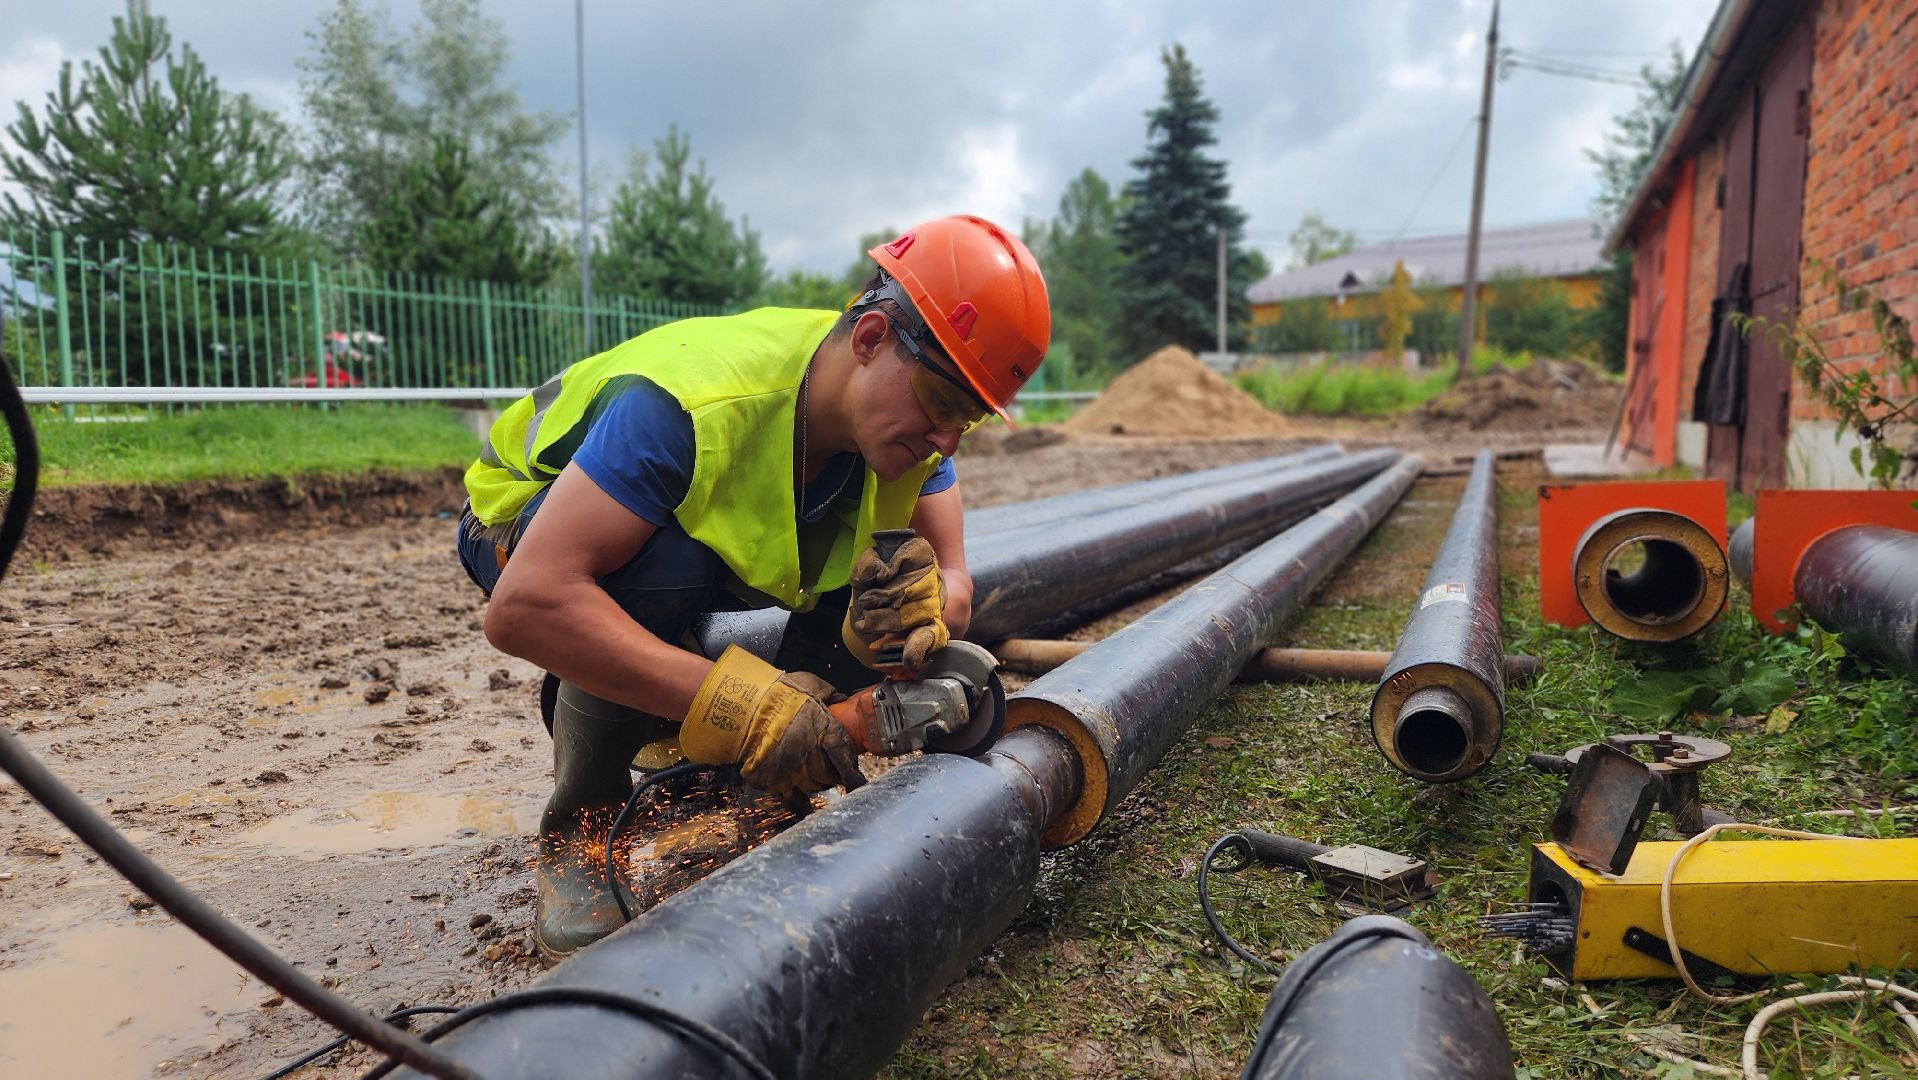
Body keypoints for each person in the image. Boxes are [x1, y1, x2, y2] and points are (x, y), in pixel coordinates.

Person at [455, 215, 1049, 962]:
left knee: (882, 590)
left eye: (969, 416)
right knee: (653, 567)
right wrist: (746, 707)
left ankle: (755, 783)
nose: (947, 438)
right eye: (942, 400)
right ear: (871, 338)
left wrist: (924, 610)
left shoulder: (910, 430)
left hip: (685, 550)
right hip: (524, 526)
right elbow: (528, 606)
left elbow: (955, 580)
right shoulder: (683, 408)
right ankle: (584, 832)